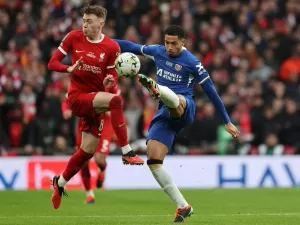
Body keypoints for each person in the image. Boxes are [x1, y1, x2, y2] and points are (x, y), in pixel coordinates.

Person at [114, 25, 240, 223]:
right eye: (167, 42)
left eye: (174, 43)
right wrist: (103, 42)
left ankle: (158, 89)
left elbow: (211, 92)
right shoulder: (158, 52)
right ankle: (183, 206)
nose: (169, 46)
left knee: (177, 101)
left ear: (183, 42)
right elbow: (130, 46)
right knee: (154, 160)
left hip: (185, 106)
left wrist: (227, 121)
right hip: (164, 112)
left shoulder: (192, 62)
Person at [48, 5, 144, 210]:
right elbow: (52, 63)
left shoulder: (111, 48)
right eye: (83, 21)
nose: (84, 25)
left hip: (94, 102)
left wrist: (110, 81)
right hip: (77, 97)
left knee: (86, 152)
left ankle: (60, 183)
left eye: (89, 21)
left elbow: (112, 76)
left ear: (101, 23)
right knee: (116, 102)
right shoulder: (73, 37)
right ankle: (127, 151)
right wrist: (68, 68)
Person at [61, 86, 120, 204]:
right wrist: (66, 110)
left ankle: (102, 170)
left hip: (104, 123)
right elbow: (67, 99)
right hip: (86, 122)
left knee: (99, 159)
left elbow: (117, 98)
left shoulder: (108, 78)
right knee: (83, 162)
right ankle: (89, 195)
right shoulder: (81, 80)